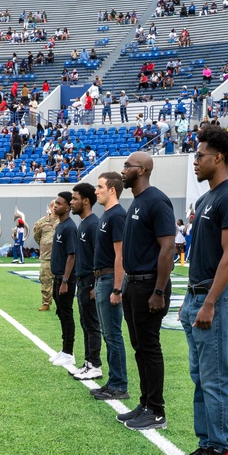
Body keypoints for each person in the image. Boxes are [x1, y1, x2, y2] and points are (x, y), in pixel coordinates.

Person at [172, 126, 228, 455]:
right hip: (195, 296)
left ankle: (223, 453)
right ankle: (206, 445)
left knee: (214, 378)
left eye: (200, 155)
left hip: (212, 299)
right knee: (200, 376)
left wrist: (211, 303)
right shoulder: (205, 199)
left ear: (219, 158)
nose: (195, 161)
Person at [116, 151, 175, 431]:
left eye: (128, 166)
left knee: (150, 347)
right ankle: (146, 403)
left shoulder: (157, 201)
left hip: (150, 285)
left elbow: (167, 248)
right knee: (139, 347)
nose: (123, 170)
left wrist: (159, 291)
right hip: (134, 283)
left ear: (142, 170)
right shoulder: (137, 202)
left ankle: (157, 410)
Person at [90, 172, 129, 401]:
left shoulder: (117, 216)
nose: (96, 191)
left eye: (100, 187)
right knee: (108, 334)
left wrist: (117, 288)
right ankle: (113, 381)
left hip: (109, 281)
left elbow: (120, 255)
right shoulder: (106, 215)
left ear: (112, 189)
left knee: (113, 334)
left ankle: (119, 385)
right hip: (101, 280)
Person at [69, 182, 102, 381]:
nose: (72, 202)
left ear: (86, 201)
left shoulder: (93, 224)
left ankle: (95, 365)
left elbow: (99, 256)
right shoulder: (83, 223)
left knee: (91, 325)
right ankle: (88, 363)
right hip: (82, 281)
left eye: (75, 198)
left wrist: (94, 284)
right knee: (85, 323)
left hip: (90, 281)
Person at [48, 191, 79, 368]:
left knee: (67, 314)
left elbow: (72, 256)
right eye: (55, 203)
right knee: (61, 313)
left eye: (59, 204)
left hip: (65, 279)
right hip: (57, 277)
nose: (55, 206)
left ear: (67, 206)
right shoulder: (60, 225)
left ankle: (69, 352)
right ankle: (64, 349)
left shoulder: (69, 227)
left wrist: (66, 281)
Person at [33, 203, 57, 310]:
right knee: (45, 280)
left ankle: (60, 304)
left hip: (59, 257)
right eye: (53, 206)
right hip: (46, 257)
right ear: (50, 208)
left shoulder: (63, 221)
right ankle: (46, 303)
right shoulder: (42, 222)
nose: (54, 208)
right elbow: (37, 236)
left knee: (60, 281)